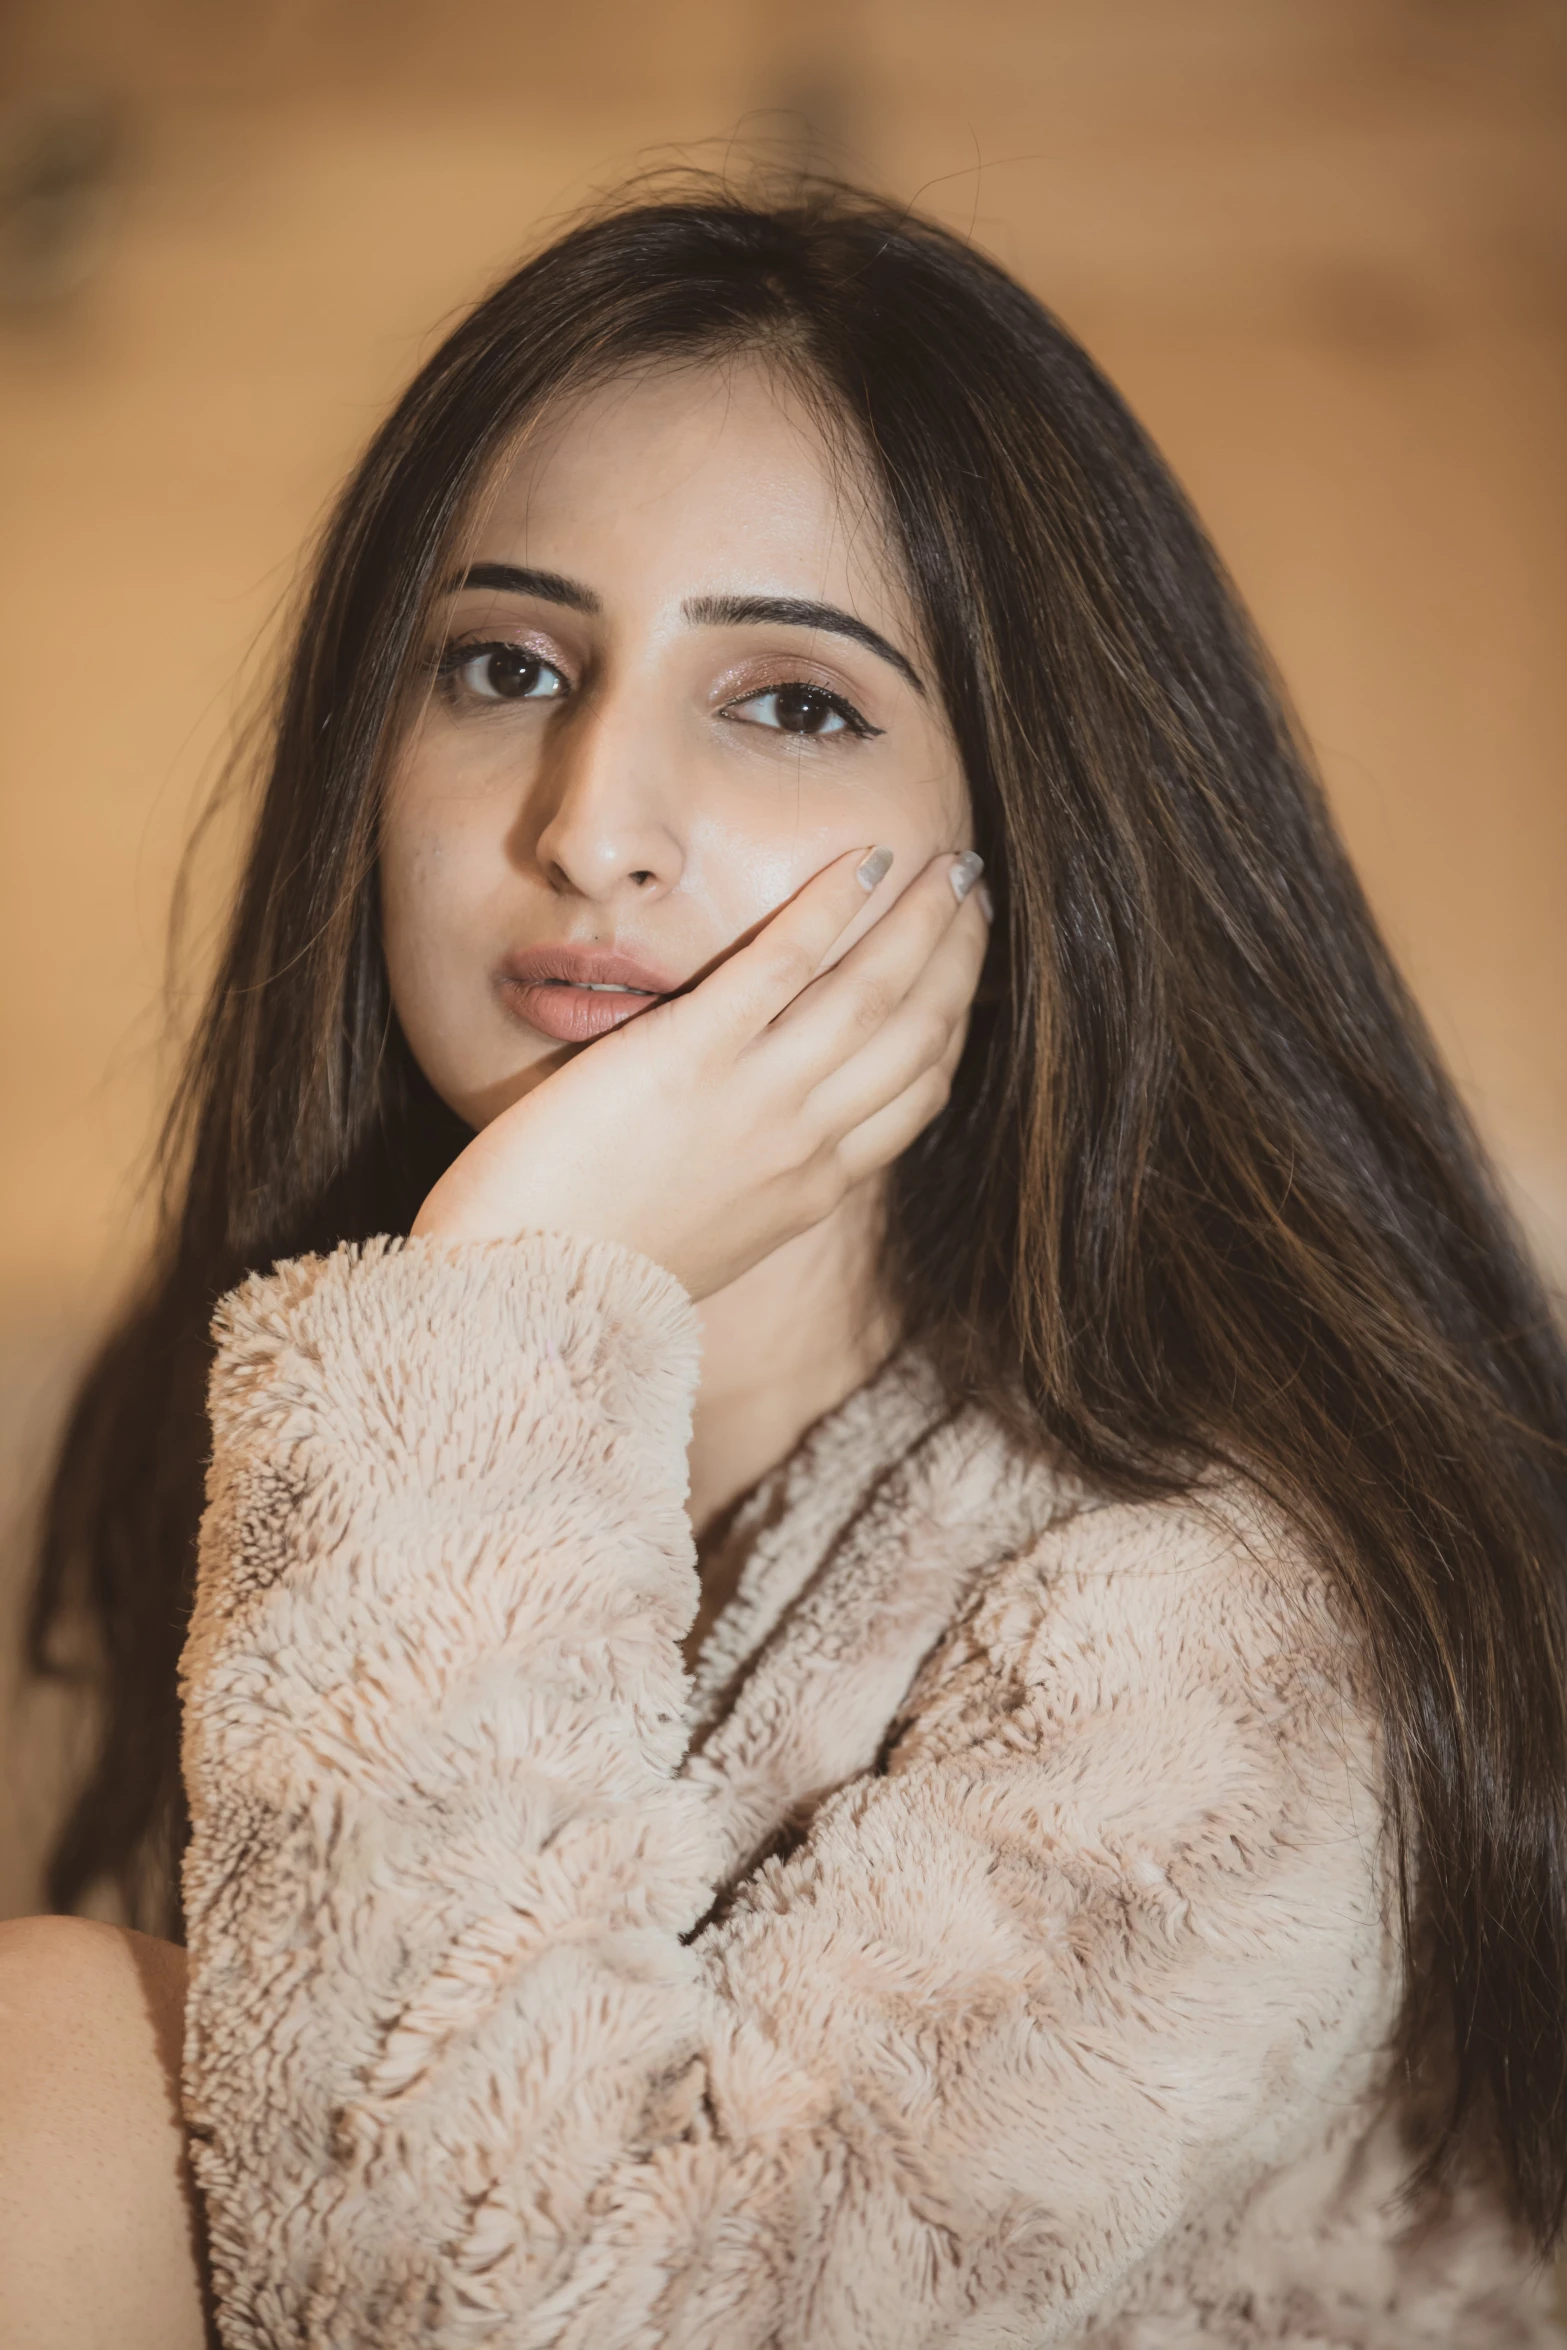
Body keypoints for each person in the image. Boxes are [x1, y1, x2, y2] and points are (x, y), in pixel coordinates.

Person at [2, 176, 1565, 2349]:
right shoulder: (253, 1423)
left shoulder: (1225, 1618)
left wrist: (514, 1295)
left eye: (794, 702)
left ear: (1035, 842)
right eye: (506, 662)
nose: (591, 816)